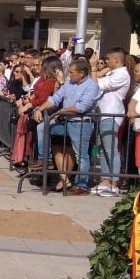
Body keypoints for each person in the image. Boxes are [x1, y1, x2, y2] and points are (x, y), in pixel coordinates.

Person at [32, 58, 100, 195]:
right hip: (65, 121)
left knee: (81, 155)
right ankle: (45, 159)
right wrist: (40, 109)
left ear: (82, 73)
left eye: (72, 72)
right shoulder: (69, 82)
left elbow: (82, 107)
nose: (69, 74)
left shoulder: (91, 86)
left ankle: (82, 185)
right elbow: (55, 99)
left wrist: (62, 111)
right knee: (42, 127)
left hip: (80, 123)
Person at [92, 47, 131, 197]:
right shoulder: (111, 73)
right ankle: (105, 181)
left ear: (116, 60)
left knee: (111, 151)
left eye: (108, 59)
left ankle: (114, 183)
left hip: (112, 115)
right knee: (102, 150)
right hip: (102, 115)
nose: (106, 61)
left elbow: (97, 85)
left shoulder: (122, 75)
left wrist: (95, 68)